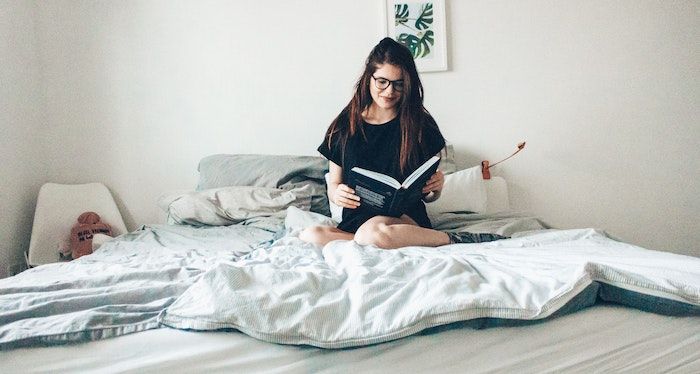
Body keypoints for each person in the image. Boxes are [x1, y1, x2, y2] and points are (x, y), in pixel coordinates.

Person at [300, 38, 505, 249]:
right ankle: (367, 241)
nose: (389, 92)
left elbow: (429, 196)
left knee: (372, 232)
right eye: (382, 81)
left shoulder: (420, 125)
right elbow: (334, 184)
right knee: (311, 234)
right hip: (356, 222)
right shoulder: (345, 125)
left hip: (405, 220)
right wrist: (338, 194)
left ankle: (452, 239)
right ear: (368, 78)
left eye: (399, 84)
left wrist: (437, 188)